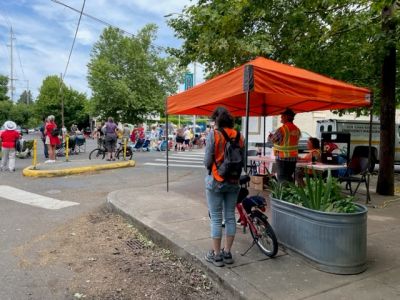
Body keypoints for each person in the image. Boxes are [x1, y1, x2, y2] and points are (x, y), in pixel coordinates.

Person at [203, 106, 244, 267]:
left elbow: (207, 161)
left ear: (217, 120)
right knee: (230, 216)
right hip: (234, 181)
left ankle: (217, 255)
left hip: (216, 180)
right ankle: (227, 253)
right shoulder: (240, 136)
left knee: (216, 218)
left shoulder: (214, 134)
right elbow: (242, 159)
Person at [268, 108, 301, 183]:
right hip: (293, 158)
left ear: (286, 117)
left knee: (282, 178)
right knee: (289, 177)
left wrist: (270, 137)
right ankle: (291, 193)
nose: (281, 118)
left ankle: (284, 194)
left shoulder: (282, 129)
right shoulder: (297, 129)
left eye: (282, 116)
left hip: (282, 158)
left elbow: (273, 140)